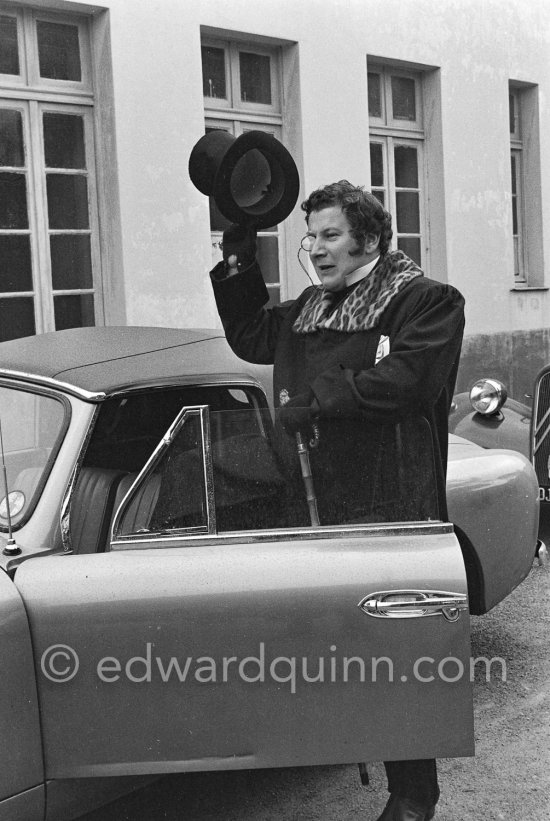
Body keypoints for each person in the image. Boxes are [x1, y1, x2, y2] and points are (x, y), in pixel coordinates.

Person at [209, 180, 465, 821]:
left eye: (331, 236)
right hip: (317, 497)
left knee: (397, 653)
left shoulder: (425, 301)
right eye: (310, 238)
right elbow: (247, 333)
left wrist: (320, 399)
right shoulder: (308, 308)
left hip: (390, 499)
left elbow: (408, 379)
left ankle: (413, 795)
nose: (317, 250)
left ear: (369, 239)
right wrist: (239, 249)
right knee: (338, 647)